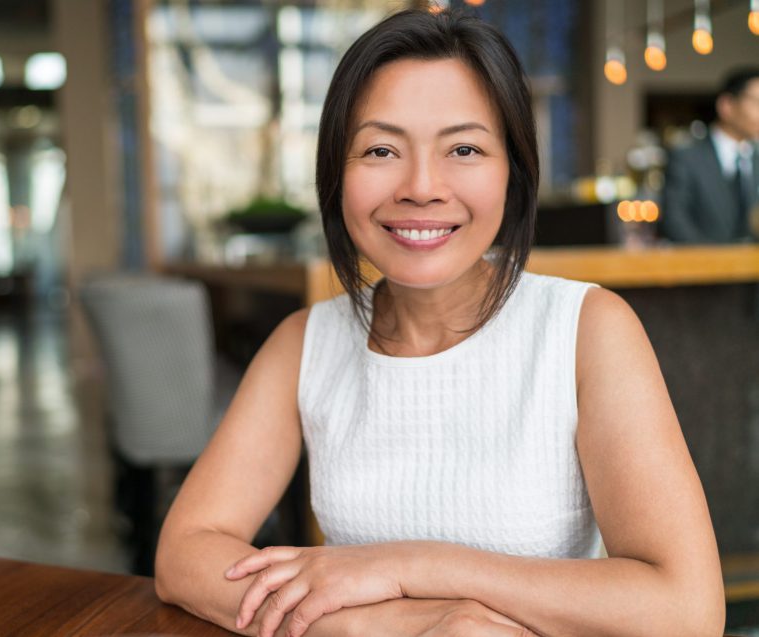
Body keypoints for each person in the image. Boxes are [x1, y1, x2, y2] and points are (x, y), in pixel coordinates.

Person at [155, 9, 725, 636]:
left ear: (514, 171)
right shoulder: (306, 342)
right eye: (380, 149)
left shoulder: (585, 329)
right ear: (334, 175)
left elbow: (684, 610)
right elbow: (185, 554)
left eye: (464, 148)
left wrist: (410, 566)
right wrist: (382, 625)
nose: (422, 186)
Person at [661, 67, 759, 243]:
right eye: (756, 102)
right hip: (704, 265)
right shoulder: (686, 157)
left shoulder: (756, 158)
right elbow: (674, 220)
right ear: (726, 106)